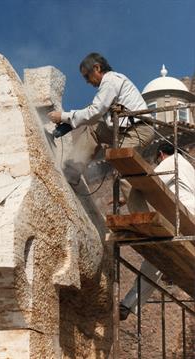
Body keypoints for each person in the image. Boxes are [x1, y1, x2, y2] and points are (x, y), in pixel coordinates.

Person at [48, 52, 154, 211]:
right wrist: (69, 124)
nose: (87, 82)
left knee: (123, 168)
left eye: (87, 76)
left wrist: (63, 116)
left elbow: (95, 111)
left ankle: (143, 218)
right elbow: (94, 116)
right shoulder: (111, 83)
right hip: (124, 129)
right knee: (94, 129)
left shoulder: (110, 81)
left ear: (97, 68)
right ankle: (71, 172)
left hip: (138, 129)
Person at [120, 142, 195, 320]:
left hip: (183, 216)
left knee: (126, 181)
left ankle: (145, 226)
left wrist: (129, 191)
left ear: (161, 154)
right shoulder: (190, 168)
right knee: (155, 260)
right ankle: (127, 305)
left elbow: (149, 181)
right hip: (189, 217)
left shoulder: (173, 160)